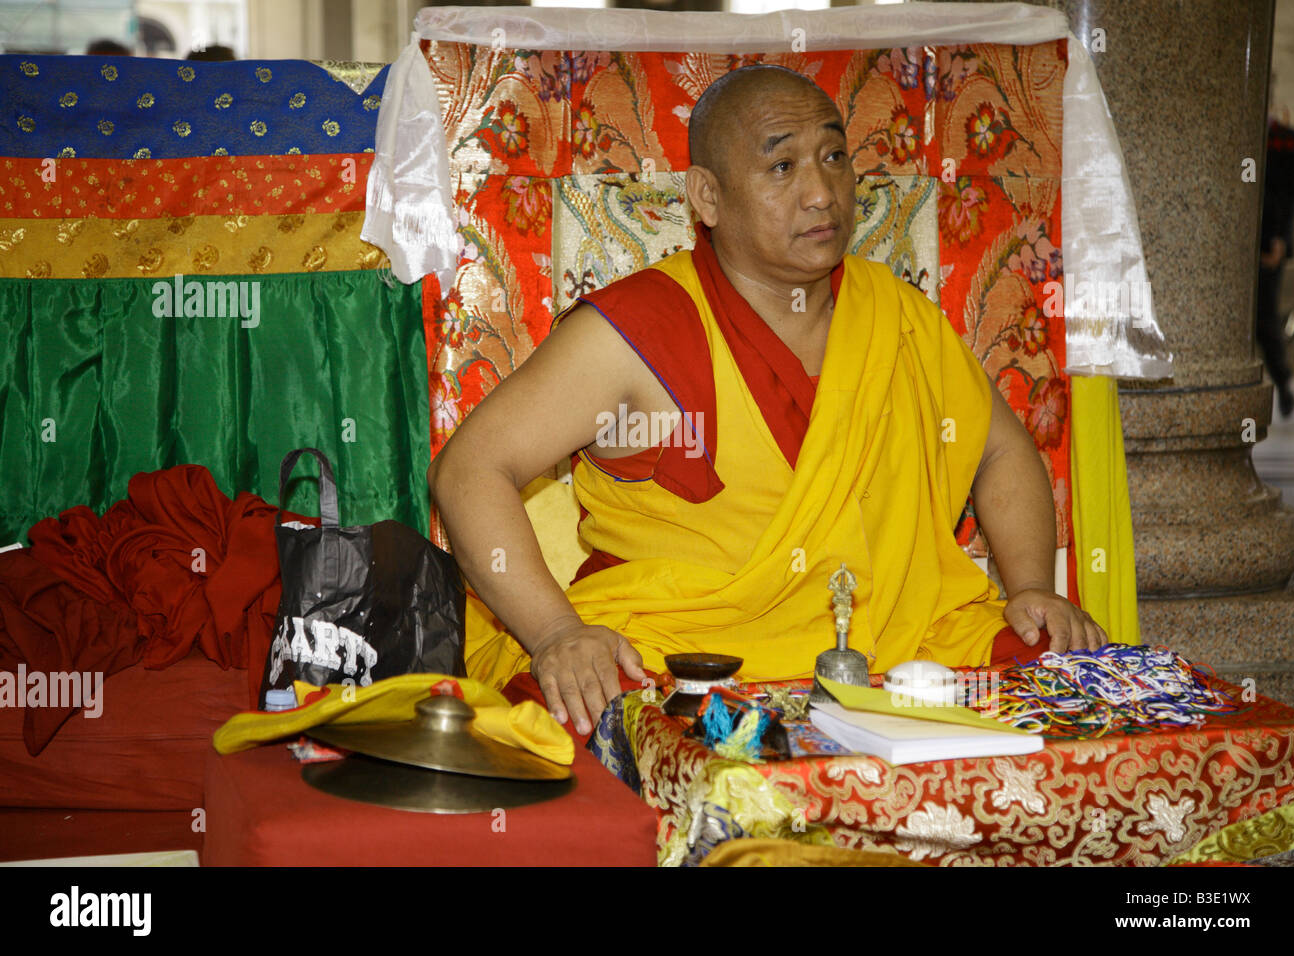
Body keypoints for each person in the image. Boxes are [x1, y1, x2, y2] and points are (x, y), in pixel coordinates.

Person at [430, 65, 1106, 735]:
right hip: (684, 655)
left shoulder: (894, 314)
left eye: (835, 157)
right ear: (708, 196)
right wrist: (554, 633)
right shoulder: (641, 329)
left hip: (905, 641)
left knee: (1079, 687)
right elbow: (470, 469)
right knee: (569, 735)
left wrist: (1030, 591)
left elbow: (999, 447)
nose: (821, 193)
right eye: (782, 167)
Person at [1259, 88, 1294, 418]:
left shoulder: (1285, 141)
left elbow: (1287, 196)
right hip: (1245, 240)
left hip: (1269, 242)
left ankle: (1283, 386)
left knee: (1265, 316)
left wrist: (1278, 239)